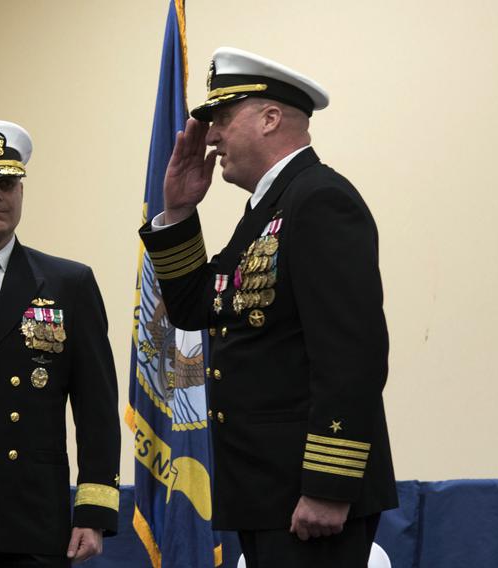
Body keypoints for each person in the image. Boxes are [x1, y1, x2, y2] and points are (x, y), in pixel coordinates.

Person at [139, 47, 398, 567]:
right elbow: (194, 309)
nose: (210, 137)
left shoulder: (320, 200)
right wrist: (180, 211)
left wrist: (329, 484)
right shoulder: (266, 211)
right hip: (264, 490)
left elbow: (352, 355)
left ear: (271, 118)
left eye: (222, 119)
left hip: (310, 493)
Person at [0, 120, 121, 567]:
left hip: (31, 516)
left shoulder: (68, 283)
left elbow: (96, 407)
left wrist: (93, 510)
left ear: (21, 191)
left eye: (7, 183)